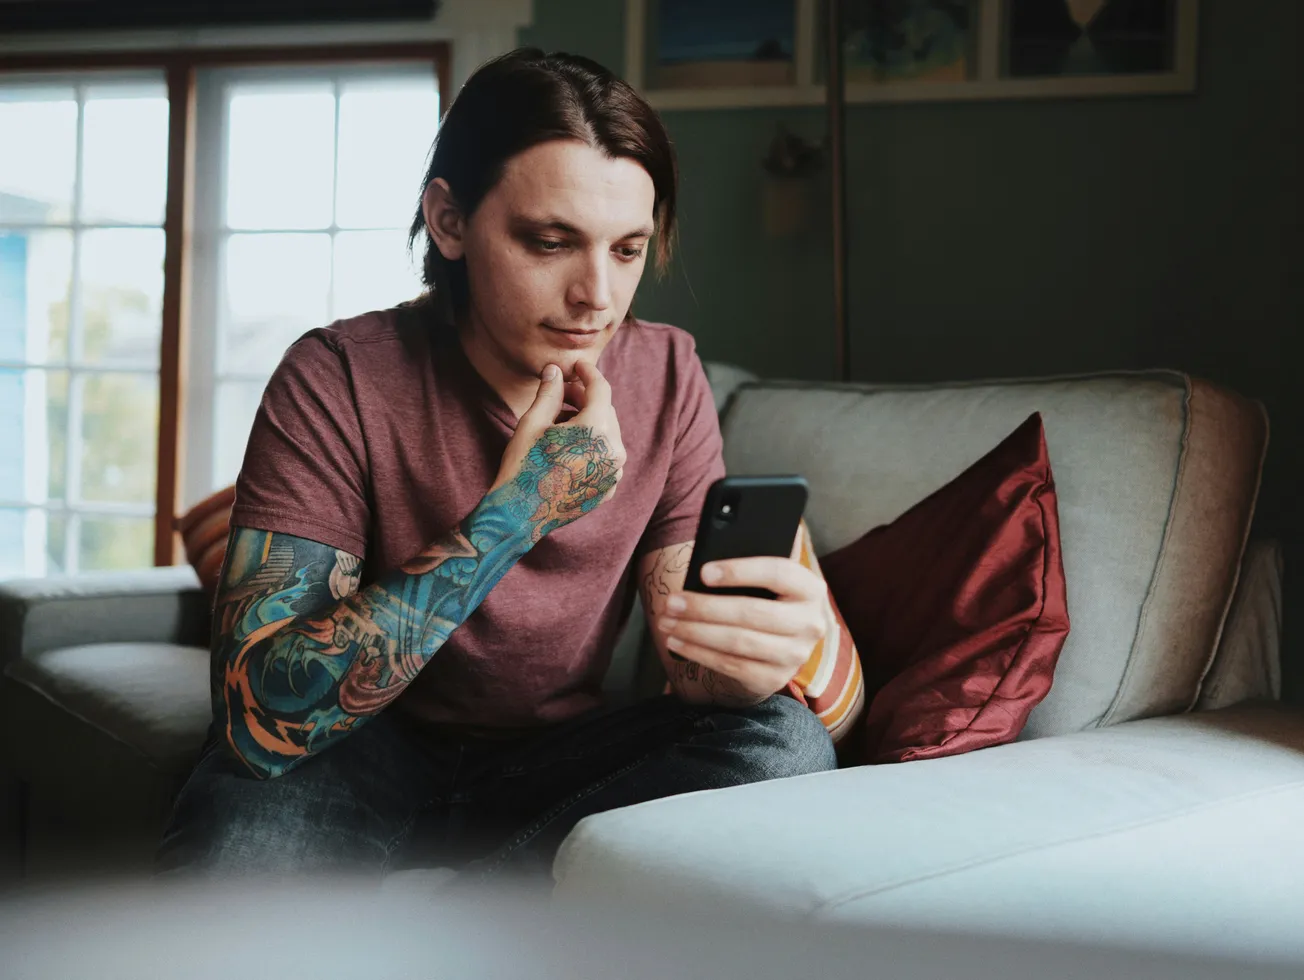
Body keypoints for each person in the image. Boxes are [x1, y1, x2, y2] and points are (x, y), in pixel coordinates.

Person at [155, 48, 836, 886]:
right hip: (354, 747)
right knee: (237, 849)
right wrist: (517, 512)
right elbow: (264, 712)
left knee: (786, 738)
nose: (598, 296)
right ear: (449, 221)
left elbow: (690, 672)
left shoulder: (667, 372)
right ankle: (502, 911)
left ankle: (451, 916)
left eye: (627, 250)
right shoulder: (337, 374)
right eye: (551, 242)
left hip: (558, 757)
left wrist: (746, 660)